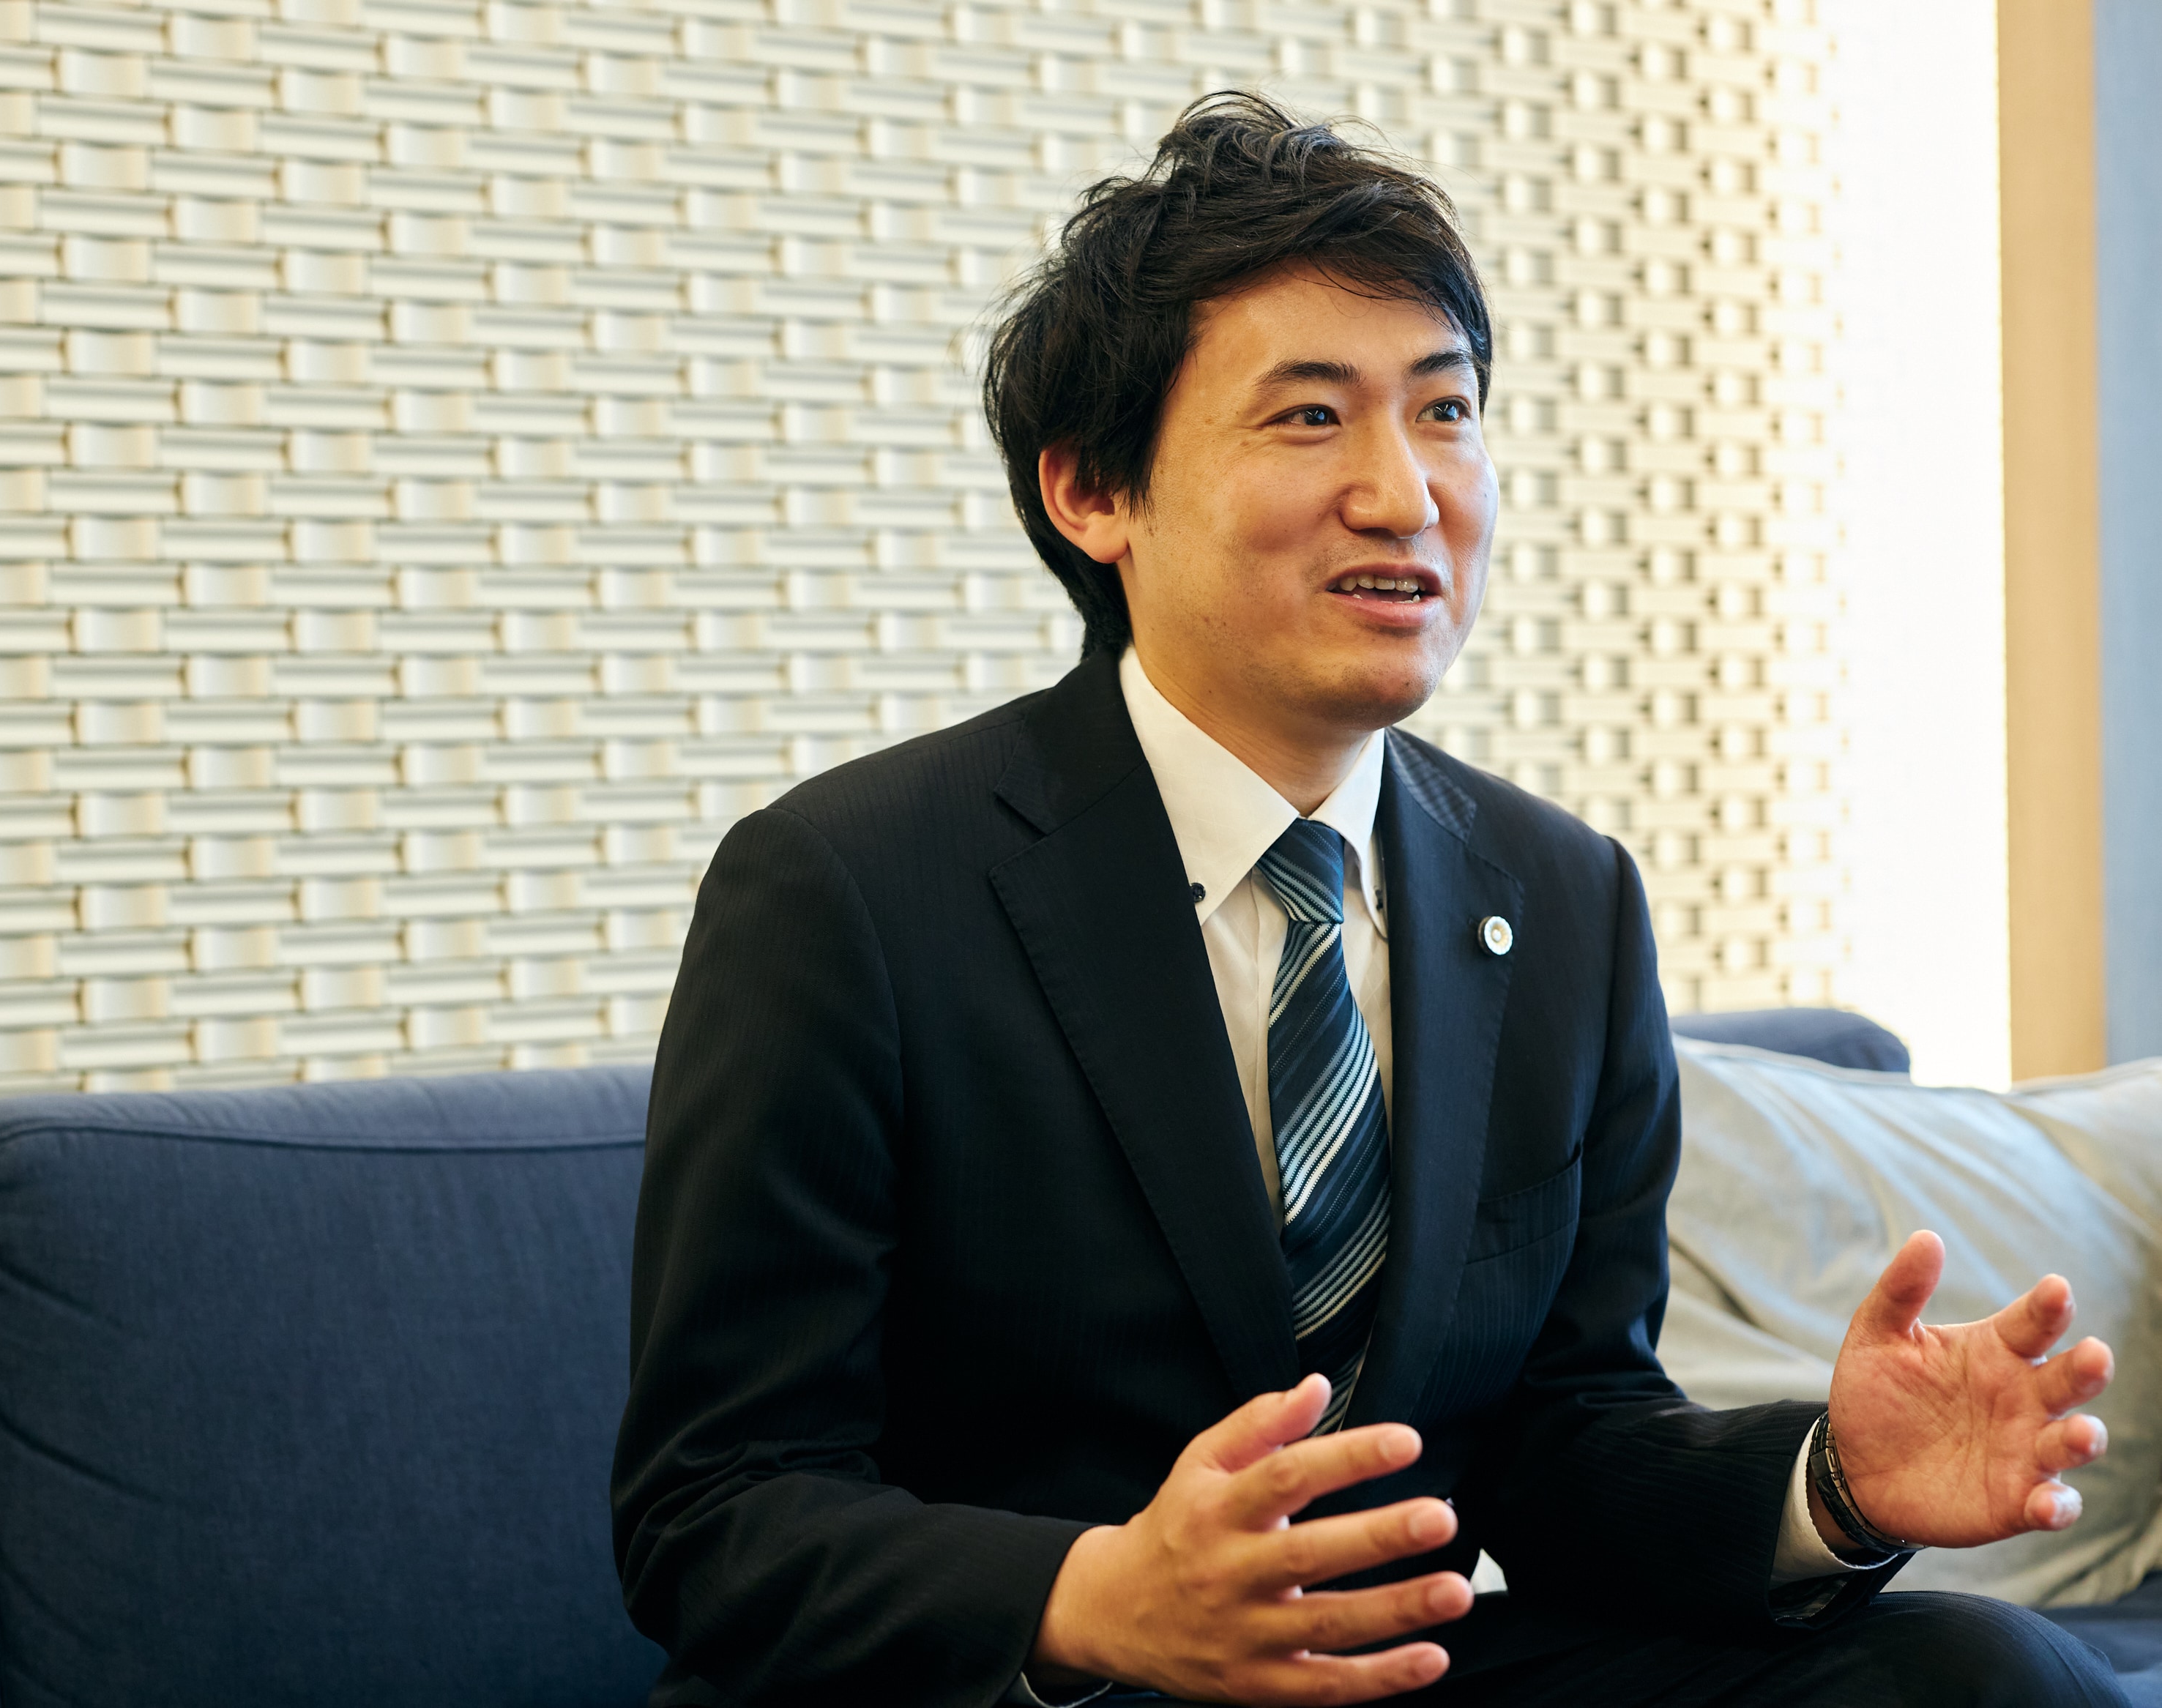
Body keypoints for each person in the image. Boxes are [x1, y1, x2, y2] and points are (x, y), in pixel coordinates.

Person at [610, 93, 2122, 1707]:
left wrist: (1830, 1485)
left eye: (1445, 411)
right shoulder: (849, 888)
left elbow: (1560, 1438)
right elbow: (713, 1510)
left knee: (1978, 1673)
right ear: (1093, 492)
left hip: (1392, 1671)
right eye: (1311, 417)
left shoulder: (1564, 897)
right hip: (1041, 1686)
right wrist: (1095, 1595)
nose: (1405, 494)